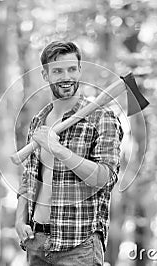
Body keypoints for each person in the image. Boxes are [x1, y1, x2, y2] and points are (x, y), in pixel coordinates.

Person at [15, 41, 123, 266]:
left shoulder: (102, 119)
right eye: (58, 71)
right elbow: (29, 177)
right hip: (36, 241)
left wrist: (58, 149)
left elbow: (104, 178)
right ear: (45, 75)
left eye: (72, 69)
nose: (66, 76)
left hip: (79, 246)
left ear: (80, 70)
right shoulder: (39, 121)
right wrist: (19, 218)